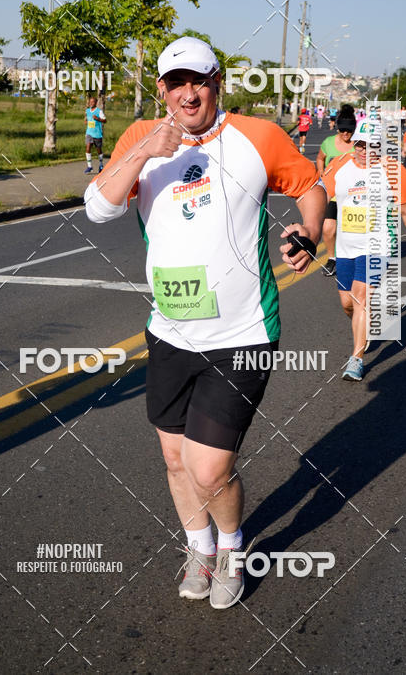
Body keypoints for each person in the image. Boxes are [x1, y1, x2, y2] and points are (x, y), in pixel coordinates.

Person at [84, 35, 326, 609]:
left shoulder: (257, 136)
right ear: (162, 89)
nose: (187, 94)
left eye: (198, 81)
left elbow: (310, 186)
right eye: (175, 84)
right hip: (170, 331)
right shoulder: (140, 138)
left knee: (210, 467)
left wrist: (310, 231)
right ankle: (199, 548)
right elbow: (98, 208)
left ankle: (233, 549)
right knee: (175, 460)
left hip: (243, 333)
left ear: (217, 81)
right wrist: (145, 152)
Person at [323, 118, 406, 382]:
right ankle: (363, 326)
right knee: (347, 303)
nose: (363, 150)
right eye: (359, 143)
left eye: (370, 145)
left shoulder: (394, 172)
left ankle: (356, 359)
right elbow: (320, 196)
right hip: (346, 246)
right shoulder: (339, 166)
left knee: (361, 298)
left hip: (377, 245)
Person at [316, 104, 356, 276]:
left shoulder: (359, 144)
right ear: (337, 127)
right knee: (328, 228)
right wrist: (321, 172)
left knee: (350, 231)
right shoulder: (328, 143)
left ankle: (353, 259)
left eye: (349, 130)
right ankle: (332, 259)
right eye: (342, 130)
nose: (346, 134)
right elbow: (320, 158)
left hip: (353, 195)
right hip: (332, 193)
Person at [84, 96, 106, 174]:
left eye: (93, 102)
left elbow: (105, 120)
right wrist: (86, 121)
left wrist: (98, 119)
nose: (91, 103)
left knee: (98, 150)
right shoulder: (87, 111)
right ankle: (89, 167)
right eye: (90, 102)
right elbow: (86, 118)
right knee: (88, 147)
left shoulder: (99, 111)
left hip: (97, 134)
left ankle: (101, 164)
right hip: (89, 133)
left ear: (96, 103)